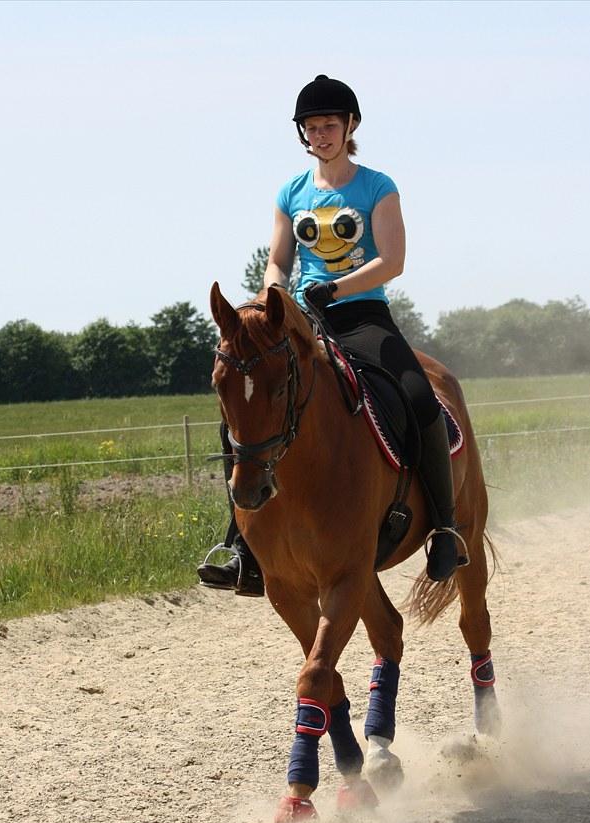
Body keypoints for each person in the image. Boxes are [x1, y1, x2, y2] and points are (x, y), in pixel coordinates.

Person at [198, 74, 464, 596]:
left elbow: (393, 261)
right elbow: (278, 261)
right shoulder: (290, 192)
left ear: (350, 127)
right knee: (244, 410)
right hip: (301, 319)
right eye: (311, 127)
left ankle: (446, 528)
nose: (319, 135)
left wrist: (335, 289)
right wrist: (271, 298)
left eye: (329, 126)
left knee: (417, 396)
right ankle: (242, 544)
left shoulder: (377, 187)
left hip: (363, 315)